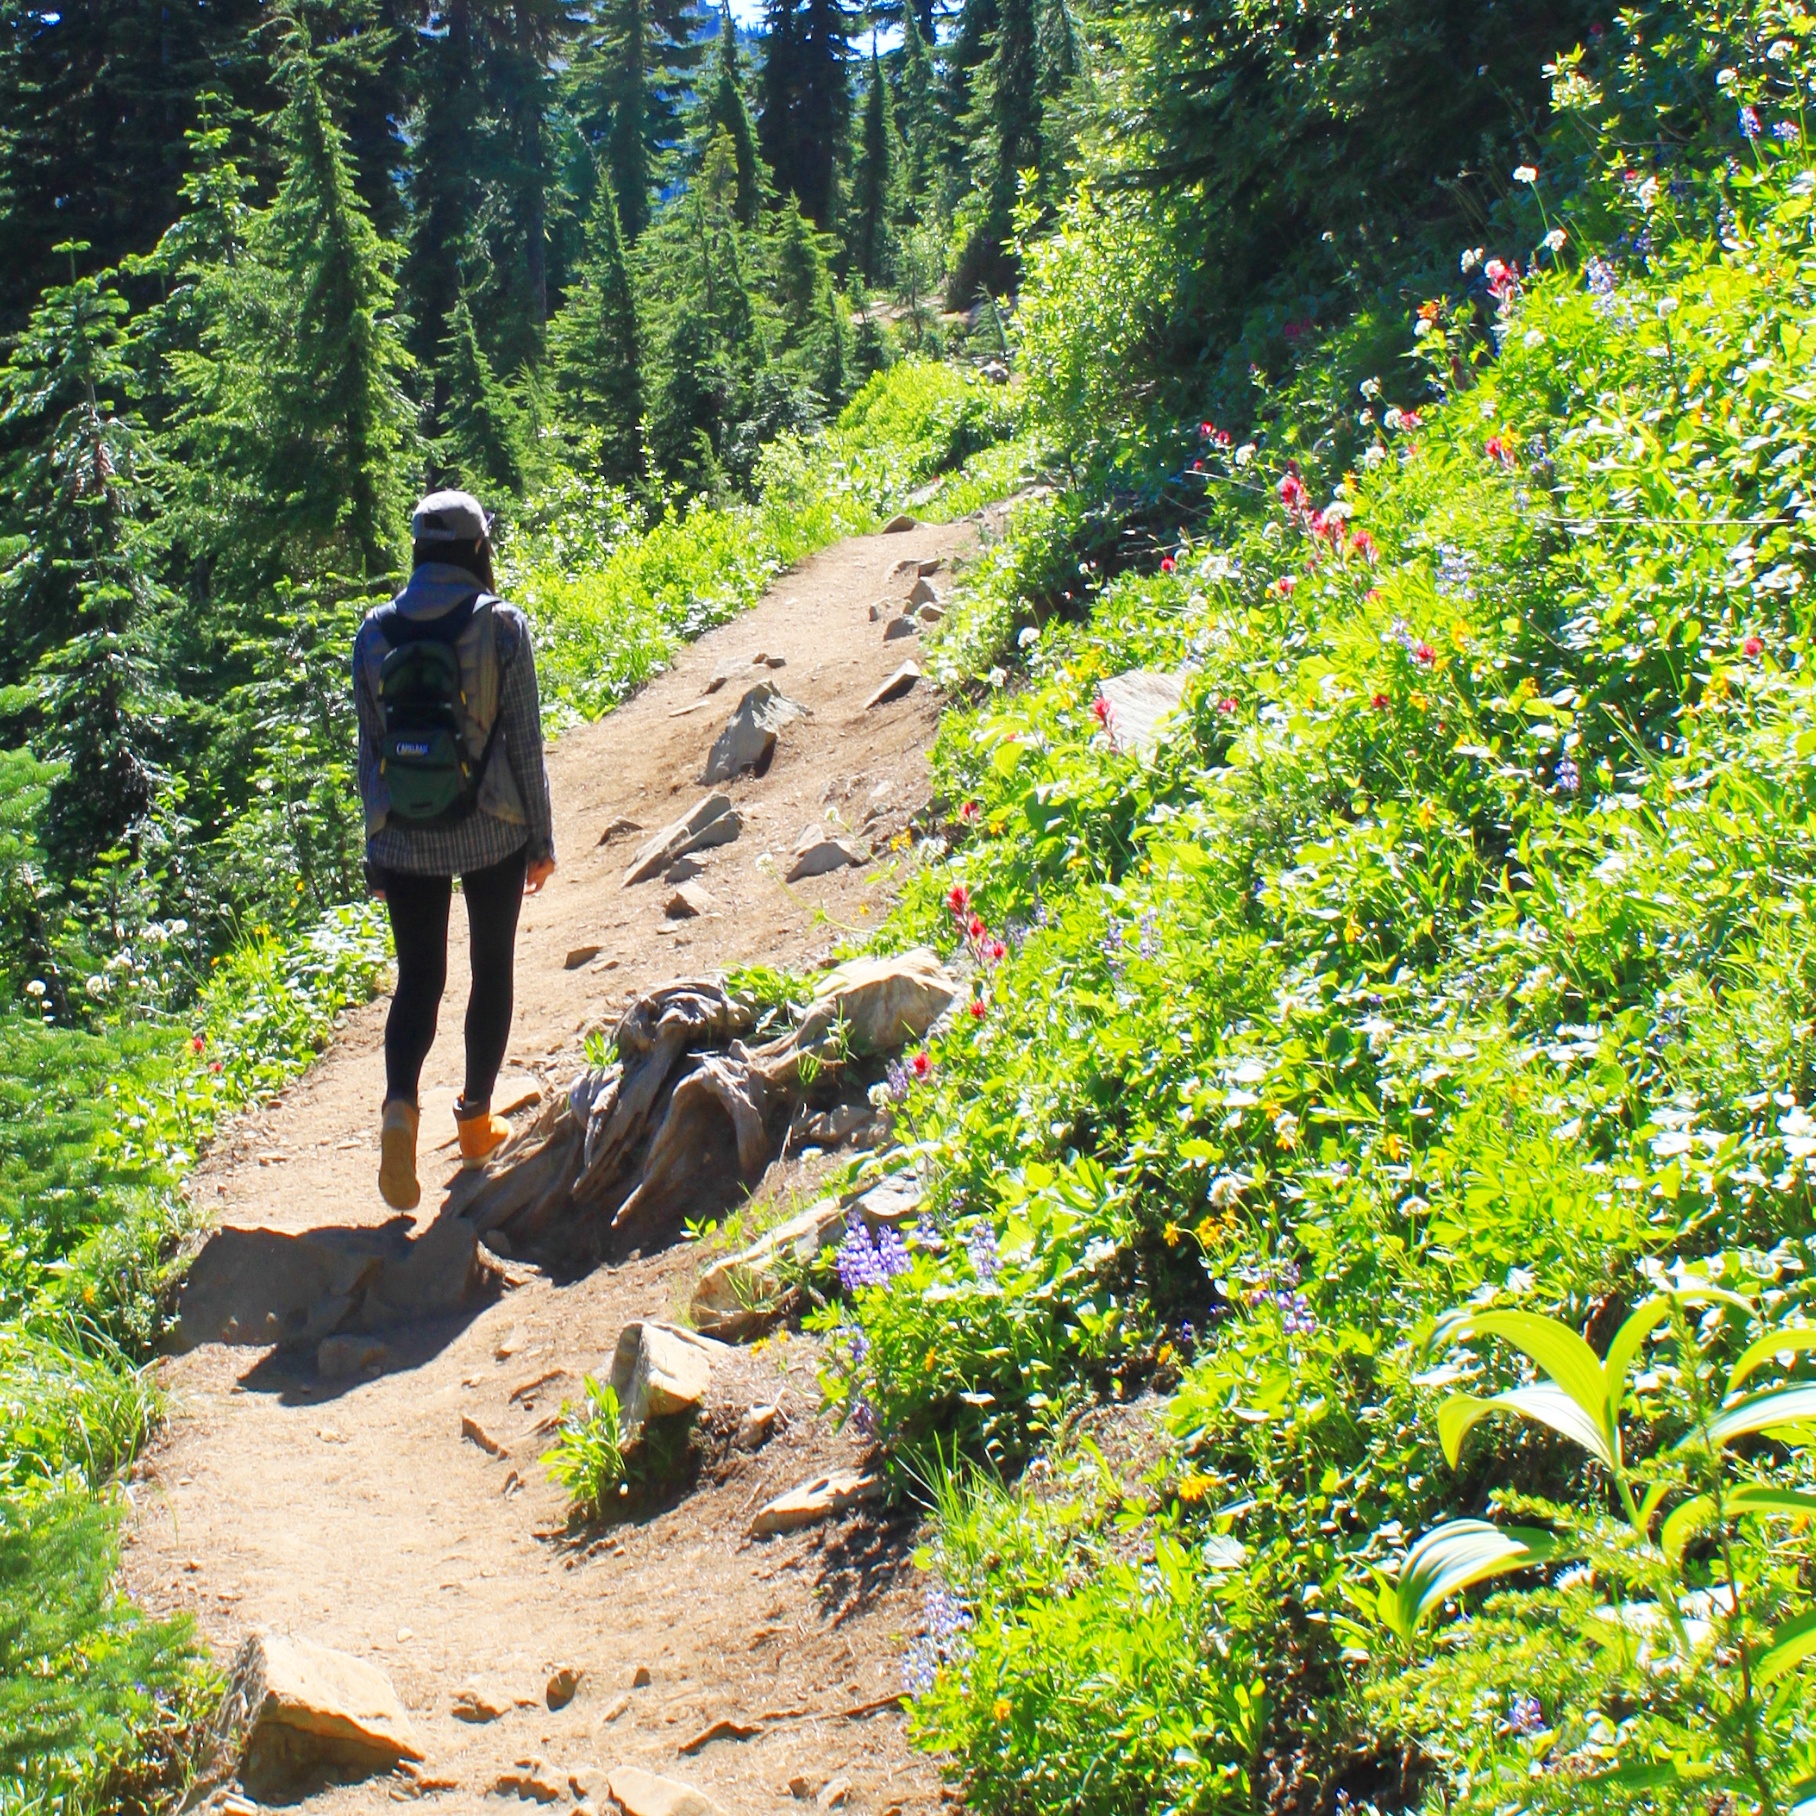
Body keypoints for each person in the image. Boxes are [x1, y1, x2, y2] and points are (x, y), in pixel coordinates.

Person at [353, 489, 556, 1211]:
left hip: (405, 834)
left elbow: (369, 751)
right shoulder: (502, 624)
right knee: (489, 967)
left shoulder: (375, 630)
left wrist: (375, 846)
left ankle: (400, 1107)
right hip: (492, 825)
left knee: (418, 979)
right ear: (478, 548)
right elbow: (526, 740)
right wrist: (541, 836)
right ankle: (474, 1121)